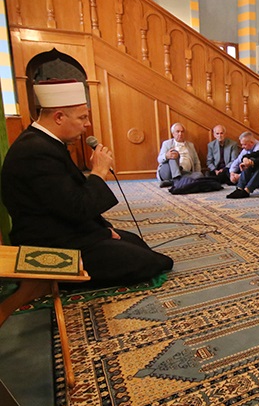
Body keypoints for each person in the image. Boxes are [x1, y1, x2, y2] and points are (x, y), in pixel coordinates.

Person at [1, 80, 173, 287]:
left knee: (137, 244)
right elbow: (77, 208)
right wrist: (98, 172)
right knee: (149, 263)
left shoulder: (46, 143)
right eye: (82, 117)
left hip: (66, 230)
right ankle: (53, 280)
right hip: (50, 245)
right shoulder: (36, 152)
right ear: (59, 117)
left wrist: (103, 231)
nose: (88, 124)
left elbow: (67, 201)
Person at [157, 122, 201, 187]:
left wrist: (198, 173)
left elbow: (196, 162)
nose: (180, 134)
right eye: (177, 131)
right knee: (174, 153)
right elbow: (159, 159)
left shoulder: (190, 145)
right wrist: (166, 156)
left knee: (199, 175)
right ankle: (176, 179)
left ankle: (172, 181)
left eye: (182, 132)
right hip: (168, 171)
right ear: (173, 134)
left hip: (184, 172)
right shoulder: (166, 143)